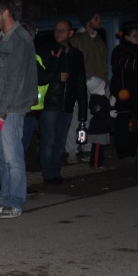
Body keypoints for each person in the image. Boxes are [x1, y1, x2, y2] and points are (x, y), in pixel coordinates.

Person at [0, 0, 37, 219]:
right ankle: (4, 195)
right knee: (1, 156)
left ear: (5, 13)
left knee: (13, 156)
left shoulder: (20, 39)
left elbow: (15, 80)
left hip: (11, 108)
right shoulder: (1, 39)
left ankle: (15, 200)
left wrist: (2, 110)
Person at [40, 20, 88, 184]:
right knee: (49, 141)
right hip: (50, 103)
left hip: (67, 104)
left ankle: (55, 173)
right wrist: (56, 77)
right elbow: (41, 75)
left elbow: (81, 83)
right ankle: (47, 175)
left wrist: (82, 112)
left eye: (63, 30)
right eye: (57, 29)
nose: (59, 32)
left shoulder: (76, 55)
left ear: (71, 33)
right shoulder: (47, 50)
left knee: (60, 141)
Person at [67, 8, 107, 163]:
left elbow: (103, 63)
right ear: (88, 20)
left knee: (93, 119)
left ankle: (88, 149)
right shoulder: (77, 39)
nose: (99, 21)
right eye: (96, 18)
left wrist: (105, 81)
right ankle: (71, 150)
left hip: (99, 87)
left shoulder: (99, 40)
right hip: (82, 85)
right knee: (76, 119)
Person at [110, 27, 138, 160]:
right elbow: (132, 64)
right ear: (126, 37)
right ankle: (123, 152)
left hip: (137, 94)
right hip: (123, 94)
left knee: (136, 123)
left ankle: (132, 151)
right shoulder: (119, 51)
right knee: (122, 124)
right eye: (134, 35)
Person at [86, 77, 117, 169]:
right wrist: (109, 113)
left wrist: (111, 104)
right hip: (98, 128)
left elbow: (104, 109)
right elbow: (98, 112)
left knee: (100, 147)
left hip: (102, 126)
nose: (104, 89)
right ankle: (95, 164)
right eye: (103, 88)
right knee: (97, 147)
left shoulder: (101, 98)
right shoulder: (96, 100)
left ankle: (99, 163)